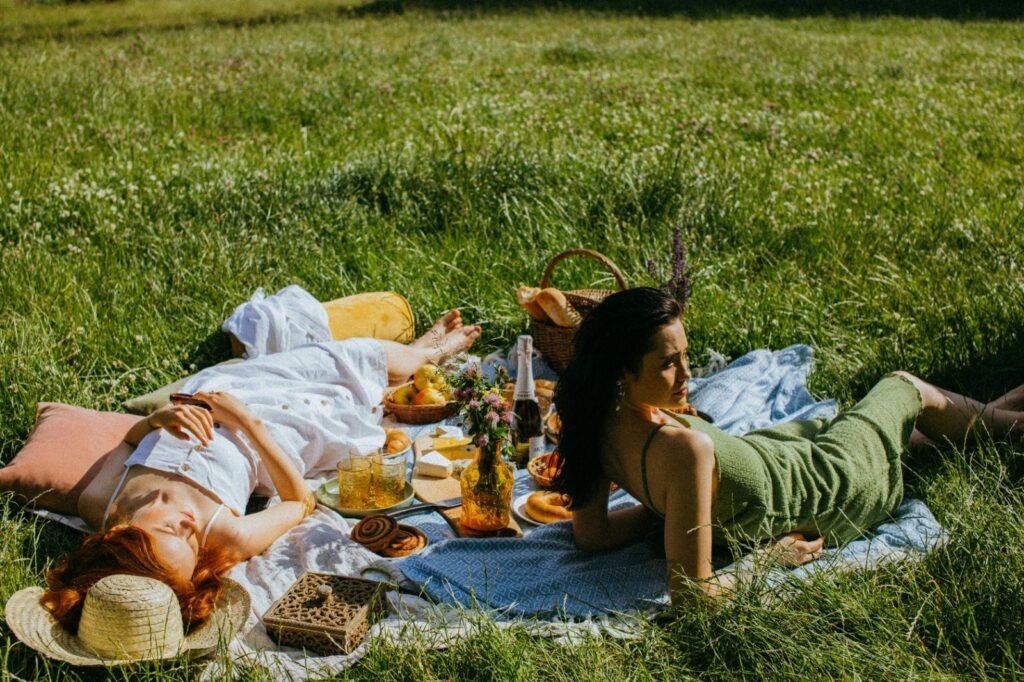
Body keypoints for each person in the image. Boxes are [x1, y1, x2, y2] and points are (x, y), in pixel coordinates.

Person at [553, 288, 1023, 602]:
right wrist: (765, 561)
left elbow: (593, 535)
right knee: (904, 388)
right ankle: (1013, 426)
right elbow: (693, 597)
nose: (689, 375)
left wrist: (676, 513)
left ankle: (1003, 414)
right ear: (621, 372)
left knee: (910, 436)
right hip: (833, 486)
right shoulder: (683, 451)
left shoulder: (594, 419)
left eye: (686, 356)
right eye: (668, 364)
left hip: (789, 455)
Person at [42, 311, 480, 633]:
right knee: (364, 388)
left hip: (210, 392)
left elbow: (126, 442)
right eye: (191, 543)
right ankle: (432, 353)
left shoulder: (100, 502)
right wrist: (247, 423)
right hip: (274, 427)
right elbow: (299, 501)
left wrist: (156, 422)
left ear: (117, 536)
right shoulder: (226, 535)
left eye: (174, 532)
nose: (190, 525)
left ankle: (421, 352)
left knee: (355, 355)